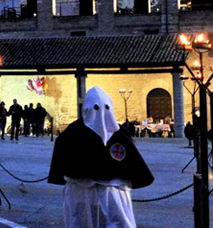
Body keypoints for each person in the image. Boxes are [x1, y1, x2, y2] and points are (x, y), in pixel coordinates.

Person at [48, 86, 154, 228]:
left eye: (106, 108)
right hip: (82, 192)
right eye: (96, 108)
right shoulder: (73, 133)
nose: (101, 115)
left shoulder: (118, 134)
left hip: (111, 193)